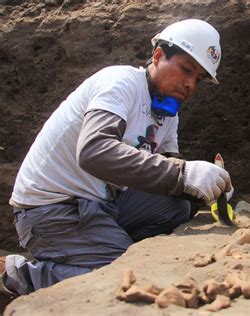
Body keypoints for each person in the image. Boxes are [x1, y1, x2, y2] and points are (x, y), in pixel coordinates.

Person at [0, 19, 232, 298]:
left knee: (178, 206)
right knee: (124, 276)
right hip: (52, 209)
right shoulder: (120, 82)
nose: (190, 84)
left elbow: (169, 169)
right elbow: (94, 151)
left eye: (198, 79)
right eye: (186, 70)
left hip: (102, 201)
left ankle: (103, 245)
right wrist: (183, 174)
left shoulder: (167, 112)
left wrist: (207, 185)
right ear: (158, 55)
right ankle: (21, 274)